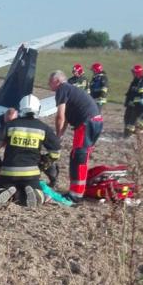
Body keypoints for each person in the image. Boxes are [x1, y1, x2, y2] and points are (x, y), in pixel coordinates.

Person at [0, 95, 61, 207]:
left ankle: (4, 192)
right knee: (39, 193)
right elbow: (56, 151)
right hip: (31, 174)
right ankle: (36, 194)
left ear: (20, 108)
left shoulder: (10, 125)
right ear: (38, 109)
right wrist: (42, 165)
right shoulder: (43, 128)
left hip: (9, 172)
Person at [48, 70, 103, 202]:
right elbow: (67, 117)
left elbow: (60, 117)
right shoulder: (71, 89)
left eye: (50, 83)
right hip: (96, 122)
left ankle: (75, 195)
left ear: (57, 81)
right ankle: (79, 190)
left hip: (86, 123)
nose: (49, 86)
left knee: (78, 157)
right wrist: (60, 135)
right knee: (82, 156)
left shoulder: (62, 89)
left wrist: (56, 135)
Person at [123, 64, 143, 138]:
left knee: (133, 120)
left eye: (134, 72)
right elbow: (130, 92)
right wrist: (127, 101)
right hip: (130, 104)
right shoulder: (134, 81)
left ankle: (131, 133)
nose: (133, 74)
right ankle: (128, 131)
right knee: (126, 117)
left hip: (137, 105)